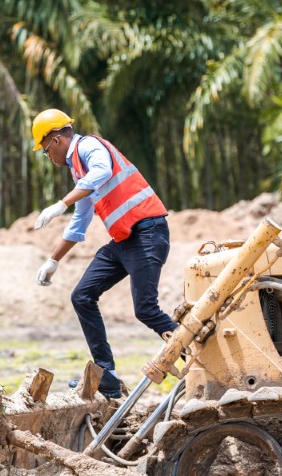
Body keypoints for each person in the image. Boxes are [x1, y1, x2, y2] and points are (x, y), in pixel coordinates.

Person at [30, 108, 177, 399]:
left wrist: (61, 203)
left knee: (146, 309)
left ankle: (203, 356)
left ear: (56, 140)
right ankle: (106, 375)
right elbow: (80, 220)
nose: (48, 157)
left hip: (147, 233)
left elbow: (103, 171)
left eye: (46, 150)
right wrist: (53, 260)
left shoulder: (88, 147)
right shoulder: (78, 171)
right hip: (125, 241)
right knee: (82, 296)